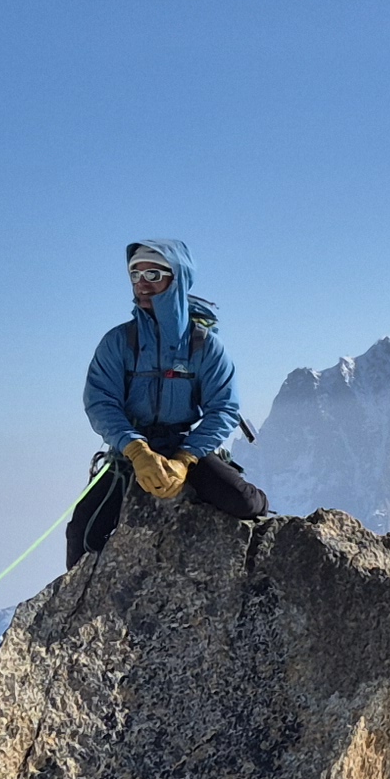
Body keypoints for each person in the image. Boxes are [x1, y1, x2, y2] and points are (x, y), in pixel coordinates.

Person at [70, 237, 271, 562]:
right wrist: (136, 449)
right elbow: (101, 401)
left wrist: (185, 458)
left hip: (185, 445)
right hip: (130, 452)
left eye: (153, 275)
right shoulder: (119, 342)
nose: (142, 284)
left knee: (245, 503)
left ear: (177, 278)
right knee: (82, 531)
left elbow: (224, 408)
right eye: (135, 275)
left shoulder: (204, 345)